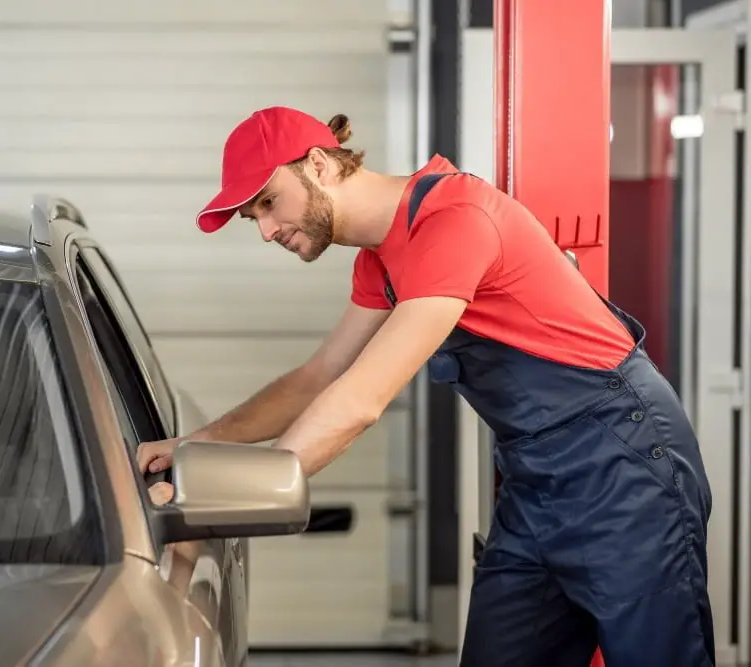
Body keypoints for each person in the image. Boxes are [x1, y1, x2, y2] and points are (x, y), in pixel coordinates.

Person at [137, 106, 714, 666]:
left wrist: (222, 494)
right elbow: (315, 381)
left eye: (268, 204)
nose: (265, 231)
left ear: (317, 164)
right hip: (537, 481)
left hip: (627, 466)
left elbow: (361, 401)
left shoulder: (452, 219)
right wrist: (199, 446)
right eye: (253, 219)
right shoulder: (379, 260)